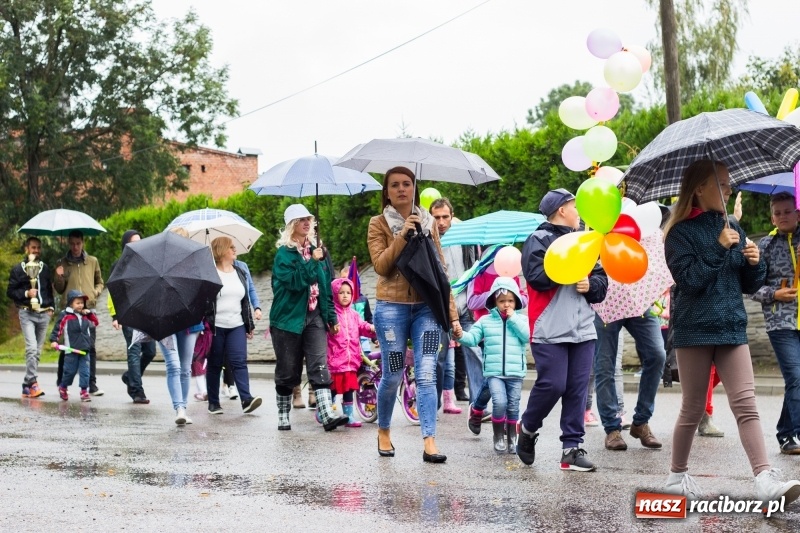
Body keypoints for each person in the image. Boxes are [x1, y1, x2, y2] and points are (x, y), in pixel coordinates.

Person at [663, 159, 800, 504]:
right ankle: (676, 476)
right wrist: (720, 246)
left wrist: (755, 262)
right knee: (693, 407)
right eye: (722, 184)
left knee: (746, 404)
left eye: (728, 184)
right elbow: (690, 281)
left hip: (731, 325)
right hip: (695, 329)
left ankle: (765, 478)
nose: (728, 190)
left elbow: (747, 283)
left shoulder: (732, 224)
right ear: (700, 189)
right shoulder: (679, 232)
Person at [367, 166, 461, 463]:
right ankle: (384, 431)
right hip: (391, 309)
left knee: (426, 373)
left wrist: (453, 315)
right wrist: (403, 236)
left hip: (426, 309)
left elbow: (440, 270)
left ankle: (430, 441)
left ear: (414, 187)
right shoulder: (378, 223)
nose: (401, 189)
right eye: (394, 185)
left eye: (406, 183)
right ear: (387, 191)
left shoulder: (429, 222)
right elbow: (382, 266)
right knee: (394, 372)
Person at [516, 188, 607, 472]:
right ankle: (528, 429)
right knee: (553, 384)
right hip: (549, 326)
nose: (579, 212)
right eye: (574, 206)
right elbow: (537, 277)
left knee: (577, 389)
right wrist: (570, 266)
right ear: (562, 210)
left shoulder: (586, 241)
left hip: (582, 328)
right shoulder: (537, 239)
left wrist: (590, 285)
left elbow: (601, 281)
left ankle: (571, 448)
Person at [270, 204, 348, 431]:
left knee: (319, 365)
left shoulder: (320, 251)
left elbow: (326, 288)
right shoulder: (283, 254)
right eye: (301, 219)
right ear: (291, 225)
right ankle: (283, 414)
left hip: (314, 317)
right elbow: (294, 283)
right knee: (287, 371)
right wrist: (312, 261)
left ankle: (326, 415)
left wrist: (332, 318)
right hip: (287, 320)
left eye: (309, 219)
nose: (307, 223)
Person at [751, 191, 800, 454]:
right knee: (796, 376)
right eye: (777, 213)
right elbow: (750, 287)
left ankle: (786, 434)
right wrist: (775, 294)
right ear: (772, 216)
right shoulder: (765, 246)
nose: (782, 217)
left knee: (797, 381)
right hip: (780, 321)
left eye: (787, 211)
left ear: (798, 212)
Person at [457, 277, 529, 455]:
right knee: (499, 402)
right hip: (494, 373)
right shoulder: (485, 321)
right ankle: (498, 437)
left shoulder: (521, 319)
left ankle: (512, 439)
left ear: (516, 302)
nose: (506, 305)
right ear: (494, 302)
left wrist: (512, 318)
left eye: (510, 301)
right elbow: (472, 338)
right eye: (502, 301)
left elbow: (527, 336)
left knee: (513, 406)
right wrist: (459, 334)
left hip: (515, 373)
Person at [204, 236, 262, 415]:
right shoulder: (210, 273)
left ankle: (246, 399)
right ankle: (213, 403)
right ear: (221, 251)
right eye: (231, 247)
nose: (235, 250)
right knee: (214, 364)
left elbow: (246, 297)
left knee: (239, 361)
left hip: (236, 324)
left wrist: (251, 319)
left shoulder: (241, 270)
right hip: (215, 326)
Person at [430, 197, 478, 411]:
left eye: (445, 217)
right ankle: (435, 400)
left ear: (452, 216)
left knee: (474, 352)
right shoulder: (427, 242)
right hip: (439, 309)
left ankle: (478, 405)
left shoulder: (464, 238)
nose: (441, 222)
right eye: (436, 217)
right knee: (438, 359)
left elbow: (472, 266)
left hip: (464, 305)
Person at [53, 230, 105, 396]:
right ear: (69, 243)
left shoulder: (92, 261)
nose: (75, 247)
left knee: (89, 347)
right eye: (72, 243)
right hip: (70, 311)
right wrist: (59, 276)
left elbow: (100, 282)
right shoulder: (63, 263)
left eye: (78, 243)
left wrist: (95, 292)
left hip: (88, 309)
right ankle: (62, 381)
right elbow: (60, 289)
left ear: (83, 243)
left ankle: (91, 384)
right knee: (68, 348)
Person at [107, 230, 156, 404]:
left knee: (150, 352)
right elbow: (113, 292)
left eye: (139, 242)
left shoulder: (146, 264)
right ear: (125, 245)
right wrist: (115, 315)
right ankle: (137, 390)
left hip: (146, 314)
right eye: (133, 242)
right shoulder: (118, 266)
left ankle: (130, 377)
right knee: (134, 351)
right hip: (128, 314)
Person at [7, 236, 55, 398]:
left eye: (38, 248)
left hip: (44, 314)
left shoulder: (45, 268)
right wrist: (27, 293)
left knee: (37, 352)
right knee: (31, 349)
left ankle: (26, 385)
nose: (36, 250)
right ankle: (33, 384)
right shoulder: (18, 269)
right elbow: (11, 292)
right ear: (26, 249)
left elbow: (49, 289)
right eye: (33, 247)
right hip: (26, 312)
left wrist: (52, 307)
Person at [327, 277, 376, 427]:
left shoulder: (354, 314)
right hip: (336, 359)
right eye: (341, 292)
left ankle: (348, 415)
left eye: (348, 292)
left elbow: (362, 326)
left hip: (351, 359)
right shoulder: (332, 315)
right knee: (334, 389)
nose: (345, 295)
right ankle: (324, 409)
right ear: (335, 294)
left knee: (349, 389)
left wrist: (372, 329)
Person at [50, 290, 98, 402]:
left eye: (82, 303)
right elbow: (58, 328)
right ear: (71, 303)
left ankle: (84, 391)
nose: (80, 305)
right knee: (69, 372)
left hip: (85, 349)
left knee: (85, 372)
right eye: (78, 303)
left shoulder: (86, 315)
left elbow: (95, 323)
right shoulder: (65, 315)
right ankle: (63, 387)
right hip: (71, 350)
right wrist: (54, 340)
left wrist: (90, 314)